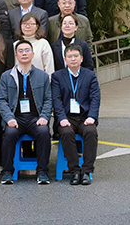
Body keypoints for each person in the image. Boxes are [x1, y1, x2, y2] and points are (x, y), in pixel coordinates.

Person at [0, 40, 52, 184]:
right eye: (20, 51)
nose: (24, 53)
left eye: (27, 50)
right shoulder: (6, 76)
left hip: (35, 118)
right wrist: (9, 118)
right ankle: (7, 172)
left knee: (43, 132)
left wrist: (44, 116)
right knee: (9, 134)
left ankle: (42, 172)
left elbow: (48, 99)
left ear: (33, 54)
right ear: (16, 55)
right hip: (15, 118)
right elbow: (1, 100)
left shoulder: (42, 76)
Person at [52, 46, 100, 185]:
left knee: (91, 132)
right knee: (66, 133)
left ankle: (86, 171)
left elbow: (95, 98)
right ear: (65, 59)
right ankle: (74, 171)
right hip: (67, 117)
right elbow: (56, 100)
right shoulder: (57, 76)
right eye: (70, 56)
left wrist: (92, 116)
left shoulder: (90, 75)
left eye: (76, 56)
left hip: (85, 116)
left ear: (81, 58)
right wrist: (61, 118)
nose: (73, 59)